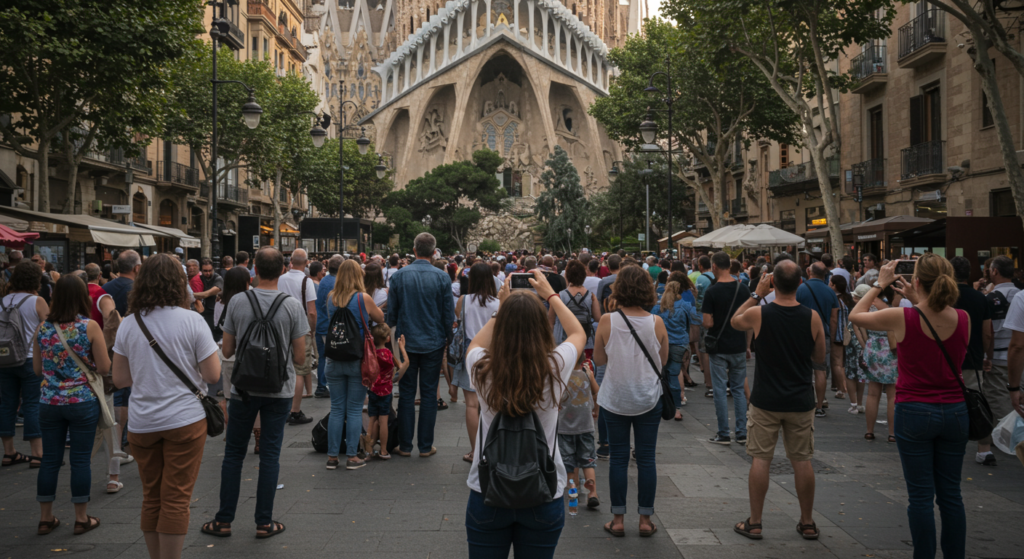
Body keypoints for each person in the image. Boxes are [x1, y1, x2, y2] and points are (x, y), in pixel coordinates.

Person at [849, 255, 969, 559]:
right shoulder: (963, 318)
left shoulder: (902, 317)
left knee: (920, 497)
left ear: (916, 282)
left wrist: (879, 283)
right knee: (952, 495)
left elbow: (856, 314)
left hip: (914, 409)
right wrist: (918, 297)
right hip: (955, 410)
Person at [464, 270, 586, 557]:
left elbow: (475, 345)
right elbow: (578, 332)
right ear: (541, 326)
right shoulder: (555, 366)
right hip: (544, 488)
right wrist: (552, 296)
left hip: (488, 489)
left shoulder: (482, 367)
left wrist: (502, 309)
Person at [111, 254, 220, 558]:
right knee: (176, 498)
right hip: (185, 419)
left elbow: (119, 379)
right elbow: (212, 375)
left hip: (143, 421)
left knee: (152, 497)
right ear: (180, 283)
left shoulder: (130, 324)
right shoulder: (192, 321)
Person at [205, 248, 306, 539]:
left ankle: (223, 521)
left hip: (242, 390)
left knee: (234, 454)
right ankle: (264, 522)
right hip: (280, 389)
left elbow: (226, 350)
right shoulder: (292, 306)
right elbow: (300, 359)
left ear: (255, 271)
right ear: (282, 270)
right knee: (270, 456)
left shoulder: (238, 301)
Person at [729, 259, 826, 540]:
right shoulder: (812, 317)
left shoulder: (760, 313)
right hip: (800, 398)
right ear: (800, 283)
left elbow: (735, 320)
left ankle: (755, 522)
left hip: (766, 398)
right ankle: (807, 522)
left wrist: (756, 293)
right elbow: (819, 358)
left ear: (773, 283)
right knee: (802, 460)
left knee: (761, 459)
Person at [33, 275, 112, 535]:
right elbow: (103, 367)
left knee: (50, 460)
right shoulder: (89, 326)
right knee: (80, 460)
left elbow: (37, 369)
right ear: (82, 298)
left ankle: (46, 518)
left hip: (49, 402)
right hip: (82, 400)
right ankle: (81, 518)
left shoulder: (43, 328)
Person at [592, 264, 668, 537]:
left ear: (619, 289)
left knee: (618, 459)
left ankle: (618, 520)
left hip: (615, 398)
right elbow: (663, 362)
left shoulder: (607, 321)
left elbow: (599, 360)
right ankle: (646, 520)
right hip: (648, 398)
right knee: (647, 458)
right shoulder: (656, 322)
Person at [387, 233, 455, 458]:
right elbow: (447, 313)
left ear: (414, 250)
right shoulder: (442, 277)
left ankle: (405, 445)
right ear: (434, 252)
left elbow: (392, 313)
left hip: (406, 342)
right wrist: (448, 337)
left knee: (406, 394)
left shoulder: (399, 276)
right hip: (433, 341)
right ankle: (425, 446)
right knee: (428, 394)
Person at [323, 259, 385, 469]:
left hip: (333, 358)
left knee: (337, 408)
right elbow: (380, 318)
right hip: (357, 359)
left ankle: (332, 457)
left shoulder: (331, 297)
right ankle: (351, 456)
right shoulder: (363, 298)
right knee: (355, 408)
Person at [1, 261, 48, 467]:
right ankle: (37, 453)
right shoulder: (37, 301)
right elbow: (48, 331)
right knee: (32, 403)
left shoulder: (2, 301)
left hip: (5, 359)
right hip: (31, 359)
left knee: (7, 403)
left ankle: (9, 452)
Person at [452, 262, 501, 463]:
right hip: (493, 353)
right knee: (492, 403)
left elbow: (458, 317)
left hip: (470, 353)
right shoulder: (498, 303)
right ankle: (493, 447)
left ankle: (475, 451)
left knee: (471, 404)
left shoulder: (464, 300)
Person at [702, 252, 751, 444]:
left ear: (714, 266)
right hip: (738, 344)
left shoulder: (712, 291)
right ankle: (741, 432)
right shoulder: (743, 289)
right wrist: (747, 345)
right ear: (729, 267)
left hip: (719, 347)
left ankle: (723, 433)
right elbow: (748, 322)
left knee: (720, 389)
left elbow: (707, 322)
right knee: (739, 389)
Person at [977, 255, 1017, 465]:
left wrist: (988, 356)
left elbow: (988, 331)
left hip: (999, 355)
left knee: (996, 396)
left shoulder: (991, 298)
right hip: (1018, 354)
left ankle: (1010, 437)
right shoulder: (1019, 295)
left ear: (995, 271)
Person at [278, 249, 317, 425]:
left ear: (291, 261)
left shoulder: (280, 279)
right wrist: (311, 329)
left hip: (281, 328)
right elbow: (312, 312)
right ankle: (295, 411)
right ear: (307, 263)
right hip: (301, 330)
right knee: (300, 369)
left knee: (284, 367)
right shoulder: (306, 282)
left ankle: (282, 407)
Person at [652, 280, 700, 420]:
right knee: (674, 373)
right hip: (680, 343)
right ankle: (676, 408)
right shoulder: (685, 306)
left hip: (661, 344)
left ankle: (660, 404)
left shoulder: (657, 308)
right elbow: (695, 320)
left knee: (660, 374)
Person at [797, 262, 839, 417]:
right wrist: (832, 338)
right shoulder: (830, 292)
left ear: (809, 272)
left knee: (803, 370)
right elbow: (834, 318)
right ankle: (820, 405)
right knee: (820, 370)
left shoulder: (801, 289)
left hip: (803, 335)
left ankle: (805, 401)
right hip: (824, 336)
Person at [558, 356, 601, 510]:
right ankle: (593, 493)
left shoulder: (560, 374)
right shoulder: (586, 372)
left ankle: (573, 492)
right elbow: (597, 392)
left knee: (569, 464)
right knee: (588, 461)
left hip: (564, 428)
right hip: (585, 427)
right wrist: (591, 377)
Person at [211, 268, 252, 425]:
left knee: (230, 396)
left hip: (230, 354)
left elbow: (217, 325)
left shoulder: (222, 302)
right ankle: (257, 436)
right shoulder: (251, 299)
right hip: (250, 354)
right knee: (253, 396)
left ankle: (232, 432)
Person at [366, 324, 409, 460]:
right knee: (383, 421)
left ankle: (368, 448)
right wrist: (402, 347)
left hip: (372, 390)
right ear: (387, 339)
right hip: (385, 391)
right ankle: (383, 450)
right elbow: (402, 366)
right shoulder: (388, 354)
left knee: (372, 419)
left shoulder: (371, 354)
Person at [550, 260, 601, 359]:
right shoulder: (591, 296)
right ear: (584, 276)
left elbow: (551, 321)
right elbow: (598, 319)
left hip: (562, 341)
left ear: (567, 276)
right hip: (586, 341)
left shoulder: (559, 296)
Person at [314, 255, 343, 398]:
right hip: (329, 326)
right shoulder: (337, 283)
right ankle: (324, 386)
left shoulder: (324, 280)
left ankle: (321, 385)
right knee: (332, 358)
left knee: (323, 358)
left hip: (321, 324)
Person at [195, 259, 223, 335]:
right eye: (205, 271)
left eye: (210, 270)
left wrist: (192, 294)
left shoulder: (218, 279)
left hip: (214, 312)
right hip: (203, 310)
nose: (208, 273)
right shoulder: (200, 278)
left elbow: (207, 294)